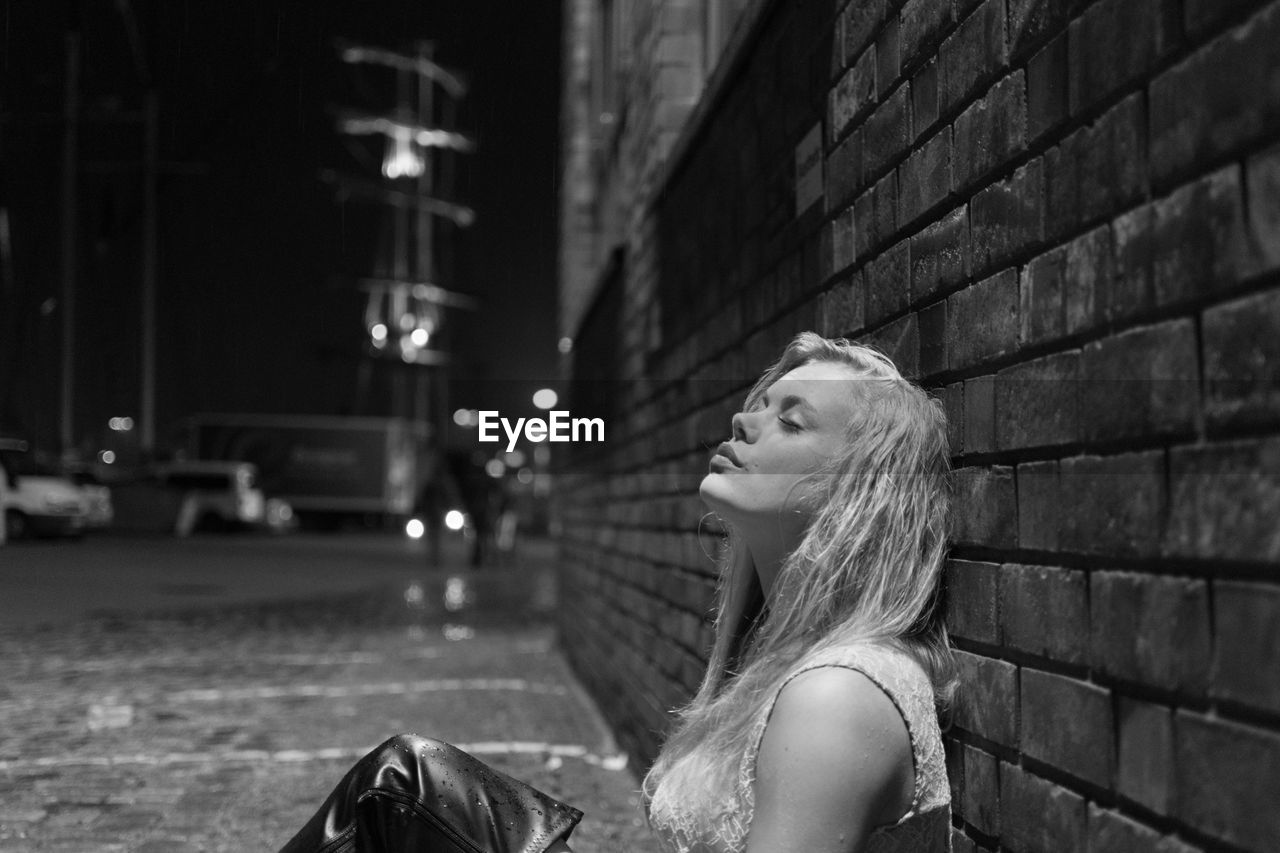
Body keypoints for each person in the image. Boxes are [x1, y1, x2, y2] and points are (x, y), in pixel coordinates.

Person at [279, 332, 957, 853]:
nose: (744, 423)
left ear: (859, 489)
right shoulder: (780, 655)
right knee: (405, 785)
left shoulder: (837, 695)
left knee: (398, 785)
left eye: (792, 420)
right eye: (761, 407)